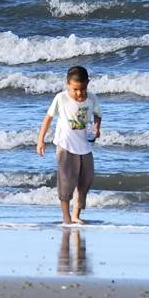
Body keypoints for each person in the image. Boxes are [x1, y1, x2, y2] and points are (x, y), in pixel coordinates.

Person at [36, 66, 101, 225]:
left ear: (88, 83)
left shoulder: (92, 99)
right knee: (66, 181)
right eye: (75, 89)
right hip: (65, 145)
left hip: (84, 146)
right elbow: (48, 118)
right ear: (67, 85)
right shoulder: (61, 98)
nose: (79, 93)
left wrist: (96, 128)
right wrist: (41, 139)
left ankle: (76, 214)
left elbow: (97, 115)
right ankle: (66, 216)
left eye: (83, 89)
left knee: (86, 179)